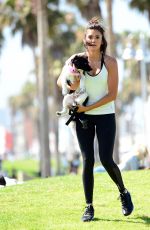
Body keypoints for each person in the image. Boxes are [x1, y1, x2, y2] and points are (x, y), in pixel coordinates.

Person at [57, 17, 134, 222]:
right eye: (89, 36)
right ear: (84, 39)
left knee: (106, 159)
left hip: (105, 115)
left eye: (96, 37)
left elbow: (112, 95)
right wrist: (72, 81)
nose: (92, 40)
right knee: (87, 160)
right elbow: (61, 81)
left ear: (102, 41)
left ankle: (123, 192)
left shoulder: (110, 63)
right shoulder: (75, 59)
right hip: (82, 117)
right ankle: (89, 207)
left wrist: (88, 107)